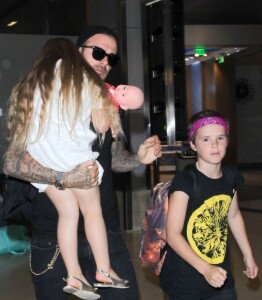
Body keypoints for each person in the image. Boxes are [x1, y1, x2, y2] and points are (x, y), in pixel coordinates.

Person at [3, 26, 161, 300]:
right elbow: (11, 163)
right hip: (51, 239)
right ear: (77, 53)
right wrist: (63, 177)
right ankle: (90, 272)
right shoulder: (45, 95)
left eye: (112, 58)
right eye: (99, 52)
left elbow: (115, 159)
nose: (105, 62)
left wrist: (138, 158)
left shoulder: (104, 100)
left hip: (106, 234)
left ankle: (92, 271)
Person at [160, 110, 258, 299]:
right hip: (184, 281)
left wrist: (248, 255)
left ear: (227, 141)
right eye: (205, 139)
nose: (215, 144)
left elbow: (234, 215)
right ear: (193, 145)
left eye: (220, 138)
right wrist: (205, 269)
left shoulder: (231, 177)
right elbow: (172, 234)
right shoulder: (186, 181)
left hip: (221, 277)